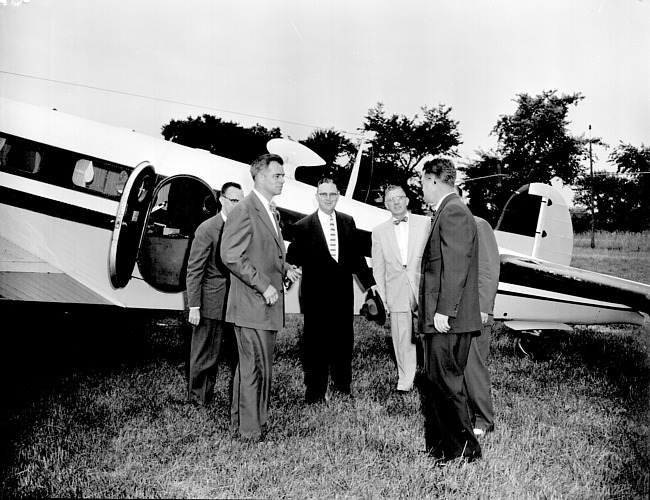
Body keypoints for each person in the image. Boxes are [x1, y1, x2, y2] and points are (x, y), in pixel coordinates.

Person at [220, 154, 301, 442]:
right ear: (260, 177)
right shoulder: (245, 209)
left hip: (263, 306)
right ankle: (251, 431)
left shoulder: (269, 210)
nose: (282, 180)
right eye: (277, 175)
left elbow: (268, 252)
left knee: (254, 367)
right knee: (254, 367)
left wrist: (286, 269)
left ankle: (245, 423)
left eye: (282, 175)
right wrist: (263, 285)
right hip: (252, 304)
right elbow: (230, 254)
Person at [287, 178, 376, 404]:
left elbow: (357, 258)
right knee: (315, 344)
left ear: (338, 196)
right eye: (323, 194)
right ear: (316, 196)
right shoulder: (303, 226)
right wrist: (289, 271)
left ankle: (342, 387)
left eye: (332, 194)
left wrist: (370, 284)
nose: (328, 199)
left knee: (343, 342)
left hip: (343, 295)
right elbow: (292, 259)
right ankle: (315, 392)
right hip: (315, 297)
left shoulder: (348, 222)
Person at [418, 157, 482, 463]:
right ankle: (444, 446)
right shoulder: (449, 210)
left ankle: (464, 450)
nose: (422, 189)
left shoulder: (453, 211)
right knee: (440, 381)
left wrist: (443, 310)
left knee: (446, 382)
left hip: (447, 319)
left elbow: (455, 267)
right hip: (447, 317)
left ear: (433, 180)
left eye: (422, 182)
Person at [185, 182, 243, 406]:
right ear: (222, 200)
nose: (237, 206)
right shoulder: (207, 229)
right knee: (204, 354)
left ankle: (206, 395)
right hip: (210, 302)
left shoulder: (240, 227)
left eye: (241, 201)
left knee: (219, 353)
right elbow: (194, 269)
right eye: (233, 201)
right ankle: (198, 400)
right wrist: (194, 306)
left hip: (233, 302)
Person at [371, 185, 430, 392]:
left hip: (424, 289)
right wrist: (383, 297)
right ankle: (405, 380)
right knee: (402, 337)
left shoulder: (426, 223)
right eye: (390, 200)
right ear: (385, 204)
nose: (396, 202)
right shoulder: (378, 232)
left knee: (430, 335)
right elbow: (378, 269)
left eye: (399, 198)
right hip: (396, 292)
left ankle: (435, 377)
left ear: (407, 200)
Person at [465, 214, 500, 436]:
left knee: (474, 365)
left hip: (475, 309)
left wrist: (484, 307)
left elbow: (489, 269)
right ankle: (465, 414)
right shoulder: (441, 223)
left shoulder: (479, 225)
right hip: (453, 311)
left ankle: (483, 419)